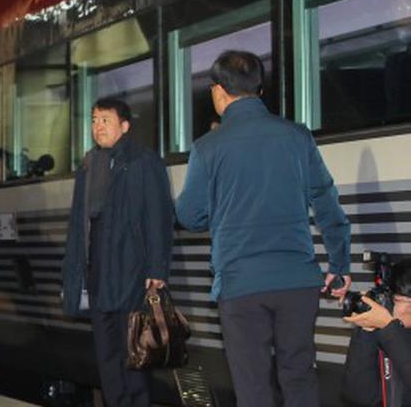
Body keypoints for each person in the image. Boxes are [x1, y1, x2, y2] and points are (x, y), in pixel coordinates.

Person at [175, 50, 352, 407]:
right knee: (299, 376)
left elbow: (190, 217)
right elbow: (326, 203)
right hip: (297, 282)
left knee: (253, 386)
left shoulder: (208, 147)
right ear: (259, 89)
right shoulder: (297, 136)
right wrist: (340, 265)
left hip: (241, 285)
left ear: (219, 90)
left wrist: (223, 209)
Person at [60, 98, 174, 407]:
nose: (98, 126)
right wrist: (75, 272)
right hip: (97, 273)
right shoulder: (89, 164)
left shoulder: (141, 161)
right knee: (107, 356)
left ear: (124, 126)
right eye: (94, 120)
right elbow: (79, 226)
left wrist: (157, 269)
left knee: (133, 352)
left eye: (105, 120)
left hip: (131, 273)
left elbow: (158, 217)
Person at [342, 258, 411, 406]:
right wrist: (366, 330)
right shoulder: (392, 333)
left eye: (396, 300)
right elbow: (359, 396)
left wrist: (390, 329)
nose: (390, 305)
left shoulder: (392, 334)